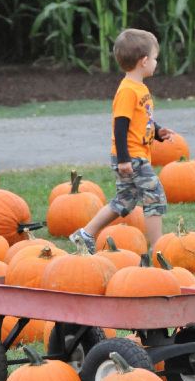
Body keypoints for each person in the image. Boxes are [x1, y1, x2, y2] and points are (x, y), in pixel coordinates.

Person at [70, 29, 172, 253]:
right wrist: (125, 159)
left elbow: (141, 120)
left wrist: (157, 131)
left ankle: (85, 234)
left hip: (135, 155)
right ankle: (158, 247)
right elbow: (120, 126)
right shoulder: (127, 91)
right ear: (144, 61)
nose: (156, 63)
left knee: (125, 200)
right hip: (132, 157)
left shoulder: (139, 88)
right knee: (153, 194)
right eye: (155, 58)